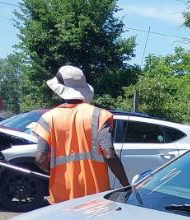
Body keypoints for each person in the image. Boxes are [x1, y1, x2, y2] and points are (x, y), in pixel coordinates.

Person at [33, 65, 130, 203]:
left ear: (59, 90)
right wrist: (126, 185)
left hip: (62, 198)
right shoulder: (99, 115)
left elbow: (40, 159)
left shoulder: (48, 119)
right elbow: (109, 155)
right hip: (97, 198)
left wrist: (57, 174)